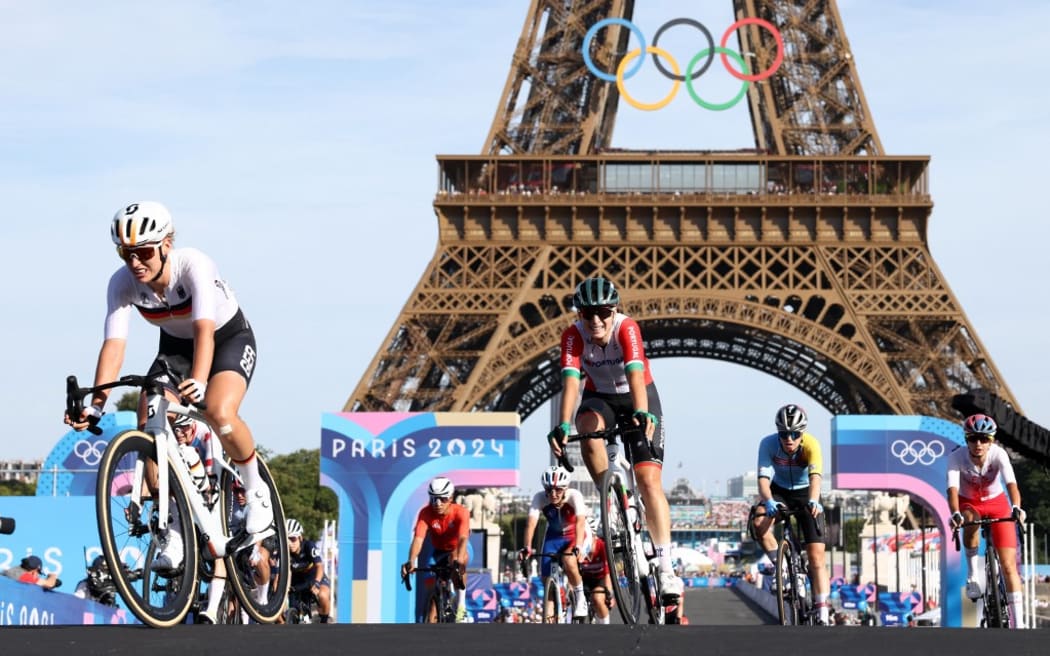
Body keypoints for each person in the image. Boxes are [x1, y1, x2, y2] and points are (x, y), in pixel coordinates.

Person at [64, 201, 273, 572]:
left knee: (219, 412)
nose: (135, 263)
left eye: (143, 252)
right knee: (150, 423)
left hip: (227, 339)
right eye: (126, 253)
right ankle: (172, 528)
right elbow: (114, 344)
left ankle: (255, 492)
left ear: (166, 244)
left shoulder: (193, 264)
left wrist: (201, 379)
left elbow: (203, 330)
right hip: (174, 351)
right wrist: (96, 404)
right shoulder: (121, 283)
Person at [546, 276, 683, 599]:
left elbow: (636, 374)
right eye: (587, 313)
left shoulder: (627, 328)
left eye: (603, 313)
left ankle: (666, 568)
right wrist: (563, 425)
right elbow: (570, 383)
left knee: (648, 480)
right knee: (586, 426)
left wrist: (642, 410)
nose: (596, 320)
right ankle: (607, 497)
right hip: (601, 398)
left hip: (638, 394)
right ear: (579, 314)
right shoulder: (572, 336)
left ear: (614, 311)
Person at [750, 404, 830, 625]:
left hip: (806, 492)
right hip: (780, 491)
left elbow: (815, 478)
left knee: (816, 557)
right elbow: (763, 481)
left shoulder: (812, 445)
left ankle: (822, 609)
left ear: (802, 433)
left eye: (794, 434)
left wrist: (814, 501)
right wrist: (768, 501)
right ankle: (782, 567)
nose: (789, 439)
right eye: (784, 434)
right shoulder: (767, 444)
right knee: (759, 521)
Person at [947, 413, 1027, 628]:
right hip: (969, 503)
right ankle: (973, 574)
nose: (978, 444)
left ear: (992, 440)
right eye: (973, 438)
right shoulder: (956, 457)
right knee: (969, 519)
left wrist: (1017, 508)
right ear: (966, 439)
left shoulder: (999, 455)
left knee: (1009, 567)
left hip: (996, 502)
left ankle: (1019, 624)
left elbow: (1011, 485)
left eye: (984, 439)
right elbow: (952, 490)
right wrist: (955, 513)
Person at [520, 466, 590, 620]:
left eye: (558, 490)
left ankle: (581, 599)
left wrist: (578, 546)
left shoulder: (574, 496)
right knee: (546, 581)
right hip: (553, 537)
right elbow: (531, 524)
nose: (553, 494)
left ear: (566, 488)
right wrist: (527, 547)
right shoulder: (539, 498)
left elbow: (580, 523)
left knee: (569, 560)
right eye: (549, 489)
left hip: (575, 535)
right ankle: (551, 619)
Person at [401, 477, 471, 623]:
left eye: (442, 499)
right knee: (433, 592)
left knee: (456, 559)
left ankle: (461, 606)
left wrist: (458, 559)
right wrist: (411, 561)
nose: (437, 504)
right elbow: (418, 539)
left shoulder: (461, 512)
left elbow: (463, 538)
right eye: (433, 499)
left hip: (458, 547)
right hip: (438, 551)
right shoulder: (426, 513)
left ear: (451, 498)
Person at [286, 518, 332, 623]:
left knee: (323, 595)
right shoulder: (285, 551)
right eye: (287, 539)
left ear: (300, 538)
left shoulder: (308, 546)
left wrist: (316, 583)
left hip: (314, 578)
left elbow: (319, 566)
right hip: (297, 582)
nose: (290, 543)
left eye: (293, 539)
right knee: (291, 611)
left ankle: (324, 621)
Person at [577, 516, 614, 624]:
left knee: (597, 598)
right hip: (584, 579)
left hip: (600, 579)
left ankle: (605, 625)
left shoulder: (602, 546)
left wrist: (609, 594)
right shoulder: (579, 548)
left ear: (593, 535)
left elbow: (607, 573)